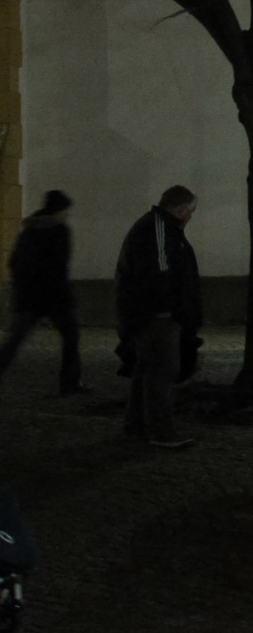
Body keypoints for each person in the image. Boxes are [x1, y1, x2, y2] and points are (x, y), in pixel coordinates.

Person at [114, 184, 202, 449]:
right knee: (162, 372)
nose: (190, 216)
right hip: (155, 315)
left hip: (147, 313)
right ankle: (160, 431)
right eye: (191, 211)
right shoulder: (159, 228)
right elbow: (159, 271)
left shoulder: (158, 226)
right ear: (181, 209)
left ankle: (136, 424)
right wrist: (165, 309)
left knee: (146, 370)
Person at [0, 190, 87, 401]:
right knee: (71, 338)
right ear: (59, 211)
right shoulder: (60, 231)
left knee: (14, 341)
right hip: (55, 297)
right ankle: (69, 383)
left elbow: (14, 263)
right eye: (65, 212)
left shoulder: (29, 231)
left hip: (29, 297)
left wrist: (24, 286)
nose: (66, 216)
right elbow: (59, 266)